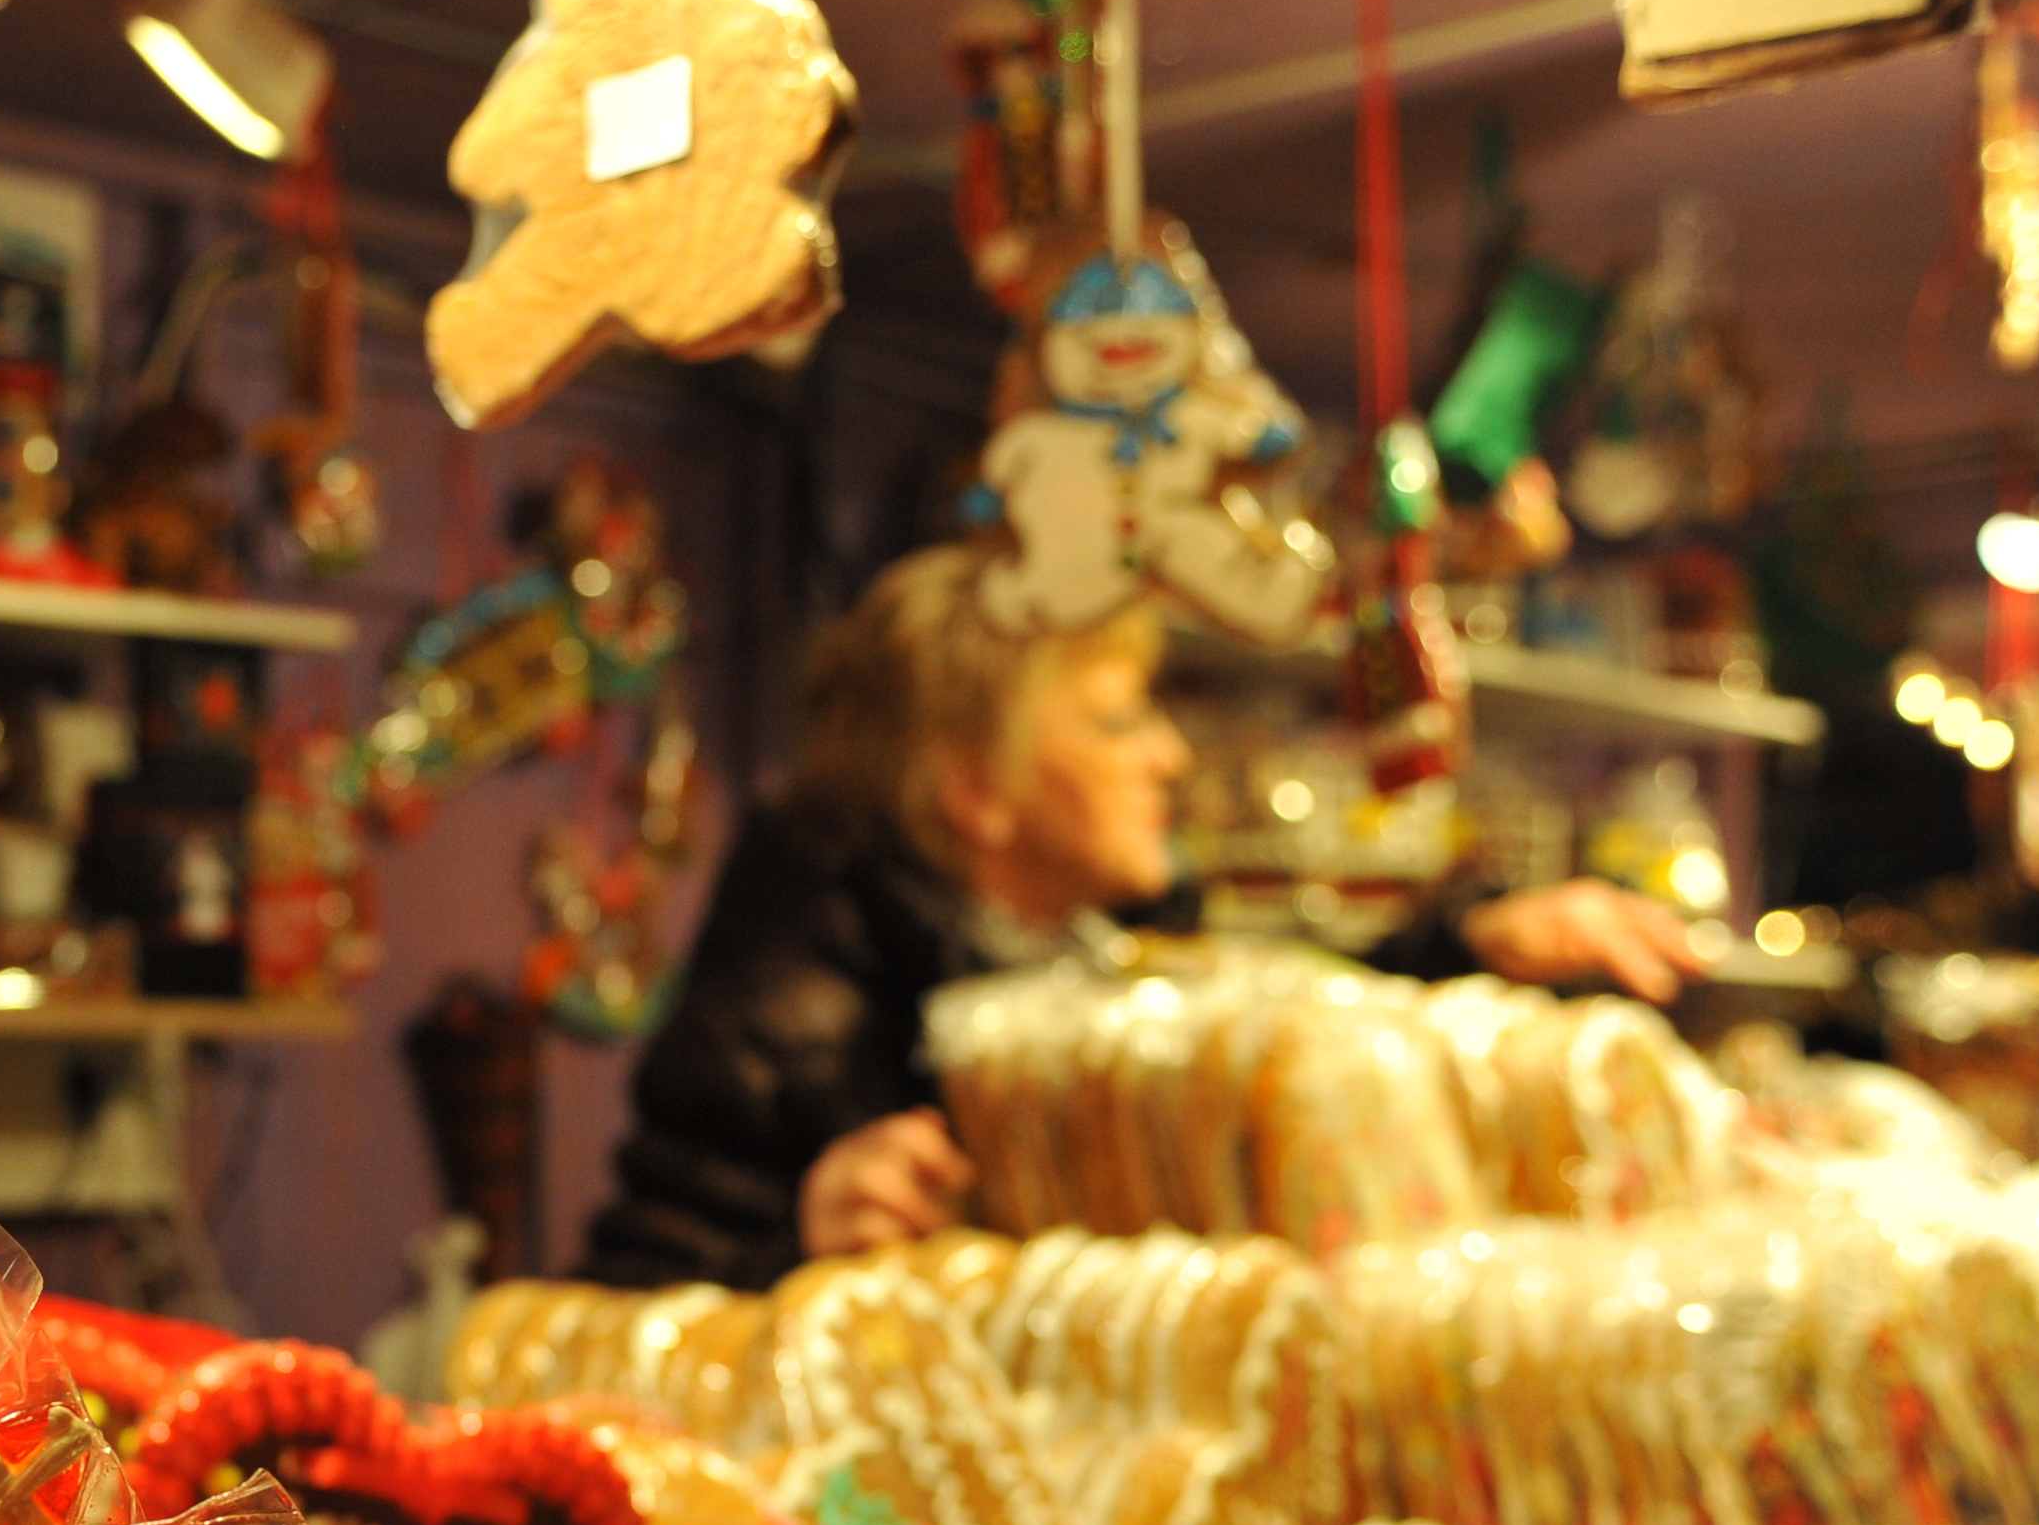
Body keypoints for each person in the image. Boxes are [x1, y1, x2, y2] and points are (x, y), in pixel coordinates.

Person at [580, 543, 1710, 1289]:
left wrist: (1471, 941)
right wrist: (797, 1251)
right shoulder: (790, 1008)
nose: (1169, 757)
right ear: (974, 789)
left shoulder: (1119, 949)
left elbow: (1274, 1011)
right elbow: (620, 1315)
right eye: (1116, 723)